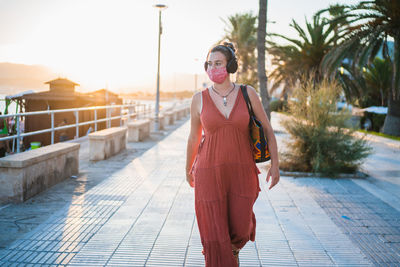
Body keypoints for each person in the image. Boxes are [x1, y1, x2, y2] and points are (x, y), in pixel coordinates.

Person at [186, 42, 280, 266]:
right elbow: (193, 138)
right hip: (208, 172)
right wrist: (188, 168)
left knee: (240, 228)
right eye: (209, 64)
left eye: (218, 63)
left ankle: (231, 255)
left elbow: (267, 129)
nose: (213, 68)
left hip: (242, 173)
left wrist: (275, 165)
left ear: (231, 65)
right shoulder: (198, 99)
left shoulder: (248, 93)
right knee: (215, 236)